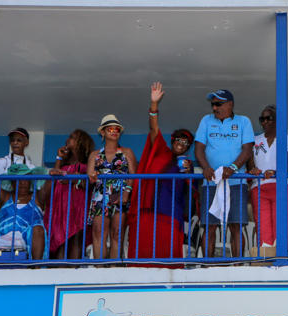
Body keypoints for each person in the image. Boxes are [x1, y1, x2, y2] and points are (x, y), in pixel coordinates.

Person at [127, 82, 196, 262]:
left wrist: (188, 174)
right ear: (172, 141)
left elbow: (191, 192)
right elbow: (154, 129)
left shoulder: (187, 164)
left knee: (167, 255)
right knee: (144, 252)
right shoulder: (160, 151)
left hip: (171, 212)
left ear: (188, 147)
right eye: (179, 139)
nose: (181, 143)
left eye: (186, 142)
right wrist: (154, 104)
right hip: (148, 209)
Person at [194, 89, 254, 259]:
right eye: (213, 104)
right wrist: (206, 167)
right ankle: (207, 265)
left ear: (230, 104)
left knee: (236, 225)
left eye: (218, 104)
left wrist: (233, 167)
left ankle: (237, 265)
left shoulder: (243, 121)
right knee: (209, 226)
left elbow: (247, 150)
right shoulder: (206, 120)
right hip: (211, 182)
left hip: (236, 182)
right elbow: (199, 149)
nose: (214, 108)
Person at [248, 104, 288, 256]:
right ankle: (266, 256)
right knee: (262, 224)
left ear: (277, 120)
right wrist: (253, 170)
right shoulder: (255, 140)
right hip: (259, 187)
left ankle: (283, 255)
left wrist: (276, 172)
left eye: (268, 118)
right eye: (261, 119)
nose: (264, 122)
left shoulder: (287, 138)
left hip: (282, 186)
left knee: (282, 223)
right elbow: (250, 165)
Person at [87, 115, 137, 260]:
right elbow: (90, 177)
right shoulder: (94, 154)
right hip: (100, 195)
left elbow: (133, 175)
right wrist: (93, 176)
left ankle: (114, 266)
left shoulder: (127, 152)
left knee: (117, 233)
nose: (114, 131)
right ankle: (100, 267)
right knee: (99, 232)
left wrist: (126, 194)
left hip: (120, 194)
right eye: (110, 129)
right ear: (103, 132)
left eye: (117, 129)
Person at [0, 164, 47, 261]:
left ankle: (37, 268)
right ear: (12, 183)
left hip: (28, 234)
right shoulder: (5, 196)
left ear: (30, 181)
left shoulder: (37, 197)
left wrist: (57, 166)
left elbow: (48, 187)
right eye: (18, 180)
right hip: (1, 233)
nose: (22, 183)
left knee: (38, 229)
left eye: (26, 179)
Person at [43, 129, 95, 259]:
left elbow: (89, 184)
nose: (68, 139)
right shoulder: (64, 164)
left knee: (76, 237)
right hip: (60, 205)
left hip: (78, 204)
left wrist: (74, 179)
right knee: (60, 238)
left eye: (72, 137)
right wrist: (59, 158)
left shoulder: (86, 164)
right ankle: (60, 268)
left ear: (80, 142)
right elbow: (54, 176)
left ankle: (73, 268)